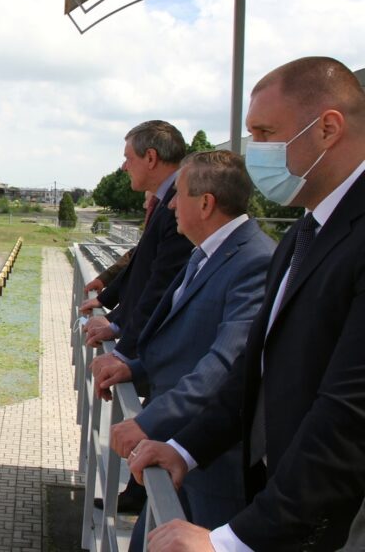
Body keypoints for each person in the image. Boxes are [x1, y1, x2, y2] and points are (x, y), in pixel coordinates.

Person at [130, 56, 365, 551]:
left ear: (328, 129)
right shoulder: (305, 232)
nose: (254, 150)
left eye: (264, 133)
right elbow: (253, 368)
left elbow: (348, 415)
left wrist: (233, 541)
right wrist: (184, 448)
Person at [96, 150, 275, 538]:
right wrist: (133, 369)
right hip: (176, 448)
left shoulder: (255, 262)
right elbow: (183, 341)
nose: (172, 204)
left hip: (213, 462)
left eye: (178, 193)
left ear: (206, 203)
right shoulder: (207, 252)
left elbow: (225, 364)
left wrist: (147, 422)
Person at [82, 121, 193, 358]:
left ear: (151, 158)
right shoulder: (165, 200)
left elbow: (161, 284)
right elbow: (142, 260)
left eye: (128, 158)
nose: (124, 167)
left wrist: (120, 352)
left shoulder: (177, 205)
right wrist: (110, 310)